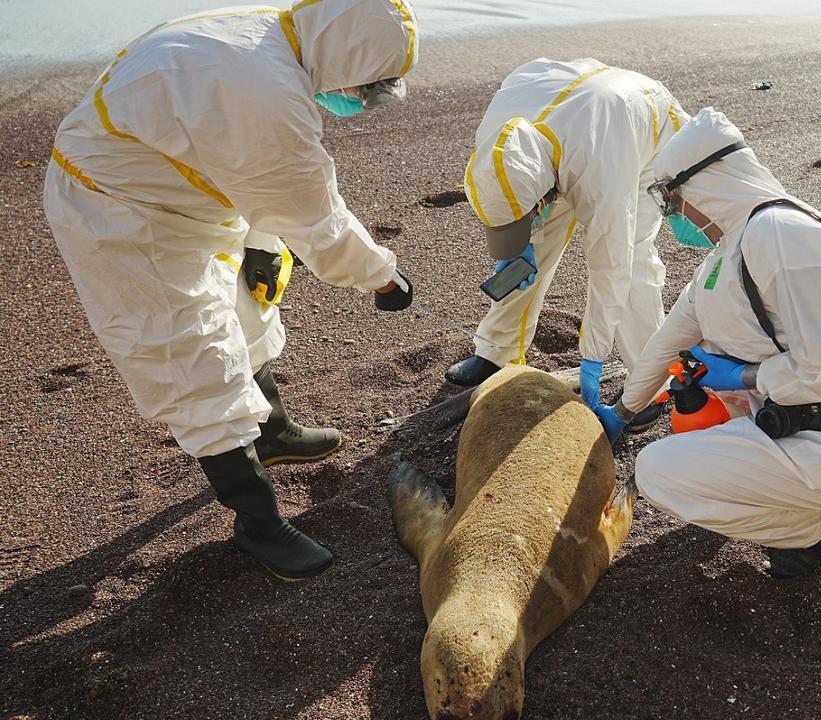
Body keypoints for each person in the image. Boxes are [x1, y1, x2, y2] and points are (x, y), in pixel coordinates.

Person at [43, 0, 420, 581]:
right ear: (346, 54)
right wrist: (381, 275)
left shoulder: (274, 35)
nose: (362, 100)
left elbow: (250, 166)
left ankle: (272, 433)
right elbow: (313, 215)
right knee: (191, 353)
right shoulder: (263, 92)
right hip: (122, 212)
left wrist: (264, 241)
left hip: (186, 186)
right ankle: (259, 524)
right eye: (368, 87)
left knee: (248, 313)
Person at [592, 109, 821, 579]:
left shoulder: (787, 236)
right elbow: (667, 344)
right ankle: (808, 513)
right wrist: (620, 412)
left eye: (674, 200)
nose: (675, 216)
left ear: (707, 184)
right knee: (693, 431)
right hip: (807, 425)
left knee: (658, 472)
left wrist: (744, 376)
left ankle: (818, 528)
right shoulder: (729, 253)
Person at [450, 58, 690, 430]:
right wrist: (516, 244)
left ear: (546, 193)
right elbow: (513, 190)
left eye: (535, 208)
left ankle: (648, 382)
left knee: (634, 260)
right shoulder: (497, 141)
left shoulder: (601, 172)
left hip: (642, 137)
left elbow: (612, 267)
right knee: (536, 239)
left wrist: (592, 356)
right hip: (574, 122)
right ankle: (497, 350)